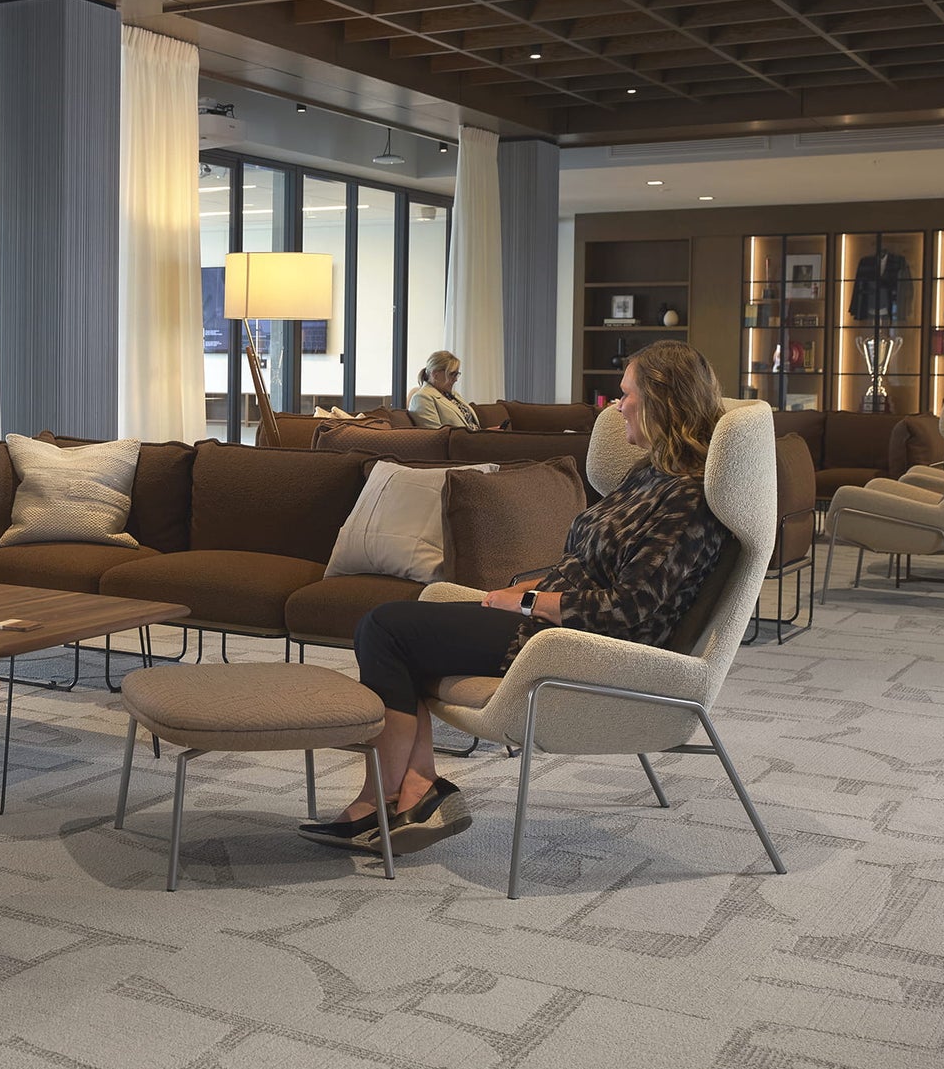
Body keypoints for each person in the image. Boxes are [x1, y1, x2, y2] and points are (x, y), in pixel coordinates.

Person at [305, 340, 731, 852]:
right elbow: (590, 563)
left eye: (627, 394)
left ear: (663, 400)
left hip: (575, 643)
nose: (617, 407)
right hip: (549, 621)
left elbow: (626, 611)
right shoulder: (649, 473)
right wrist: (526, 588)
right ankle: (417, 790)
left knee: (385, 629)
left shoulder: (688, 499)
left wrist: (526, 605)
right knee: (403, 629)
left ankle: (386, 797)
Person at [407, 351, 480, 429]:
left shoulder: (453, 395)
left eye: (457, 374)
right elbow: (436, 435)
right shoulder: (421, 398)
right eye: (452, 374)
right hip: (461, 440)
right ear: (435, 375)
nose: (456, 379)